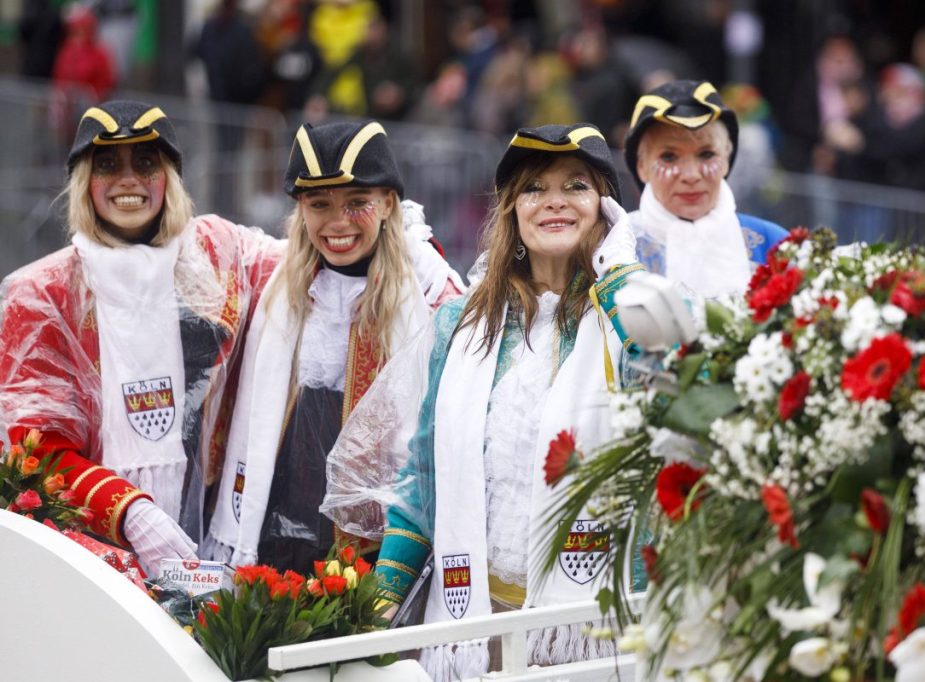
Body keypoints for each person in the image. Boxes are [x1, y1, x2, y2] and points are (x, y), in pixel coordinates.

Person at [322, 123, 642, 680]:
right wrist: (374, 612)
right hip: (472, 626)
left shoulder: (634, 311)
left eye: (576, 187)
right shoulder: (459, 325)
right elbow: (423, 485)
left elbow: (680, 379)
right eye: (535, 188)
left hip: (593, 632)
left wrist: (617, 275)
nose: (555, 203)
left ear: (606, 210)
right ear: (512, 210)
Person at [0, 100, 281, 576]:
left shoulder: (214, 255)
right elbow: (33, 452)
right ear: (83, 182)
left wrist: (406, 246)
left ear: (169, 178)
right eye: (108, 165)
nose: (128, 179)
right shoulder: (41, 295)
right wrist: (129, 511)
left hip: (205, 551)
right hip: (87, 560)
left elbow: (305, 270)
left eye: (146, 163)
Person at [204, 120, 463, 574]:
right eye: (319, 204)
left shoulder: (432, 293)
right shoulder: (278, 280)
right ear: (301, 208)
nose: (338, 222)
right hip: (278, 528)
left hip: (378, 546)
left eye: (357, 203)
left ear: (388, 204)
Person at [624, 79, 788, 299]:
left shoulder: (774, 245)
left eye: (706, 154)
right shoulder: (614, 250)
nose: (691, 175)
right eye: (669, 157)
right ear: (641, 166)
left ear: (727, 159)